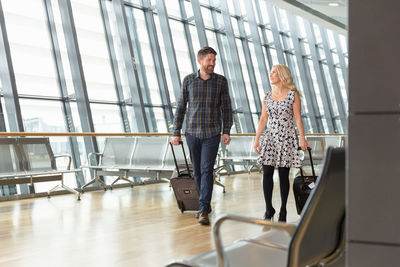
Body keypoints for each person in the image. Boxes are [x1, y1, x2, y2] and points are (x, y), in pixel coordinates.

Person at [171, 46, 233, 225]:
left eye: (214, 60)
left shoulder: (221, 81)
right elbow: (181, 107)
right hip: (192, 133)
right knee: (197, 171)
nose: (212, 63)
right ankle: (203, 203)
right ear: (200, 60)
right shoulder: (189, 80)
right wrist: (176, 132)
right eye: (209, 60)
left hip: (212, 133)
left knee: (207, 169)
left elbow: (226, 108)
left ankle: (204, 208)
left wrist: (226, 130)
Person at [254, 64, 310, 222]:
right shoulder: (267, 96)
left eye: (274, 72)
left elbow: (297, 117)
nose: (270, 75)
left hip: (286, 137)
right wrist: (257, 138)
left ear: (282, 75)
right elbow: (263, 118)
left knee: (284, 175)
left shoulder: (293, 94)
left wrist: (302, 138)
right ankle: (268, 209)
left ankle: (283, 210)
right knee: (267, 173)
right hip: (270, 137)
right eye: (270, 72)